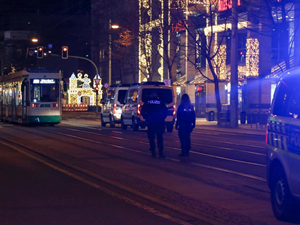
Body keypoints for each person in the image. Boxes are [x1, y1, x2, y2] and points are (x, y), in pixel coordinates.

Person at [141, 91, 168, 158]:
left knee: (151, 138)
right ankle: (160, 152)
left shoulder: (147, 102)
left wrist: (146, 118)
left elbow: (143, 111)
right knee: (160, 137)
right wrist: (162, 118)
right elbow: (165, 111)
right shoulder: (160, 101)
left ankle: (153, 152)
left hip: (151, 122)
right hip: (159, 122)